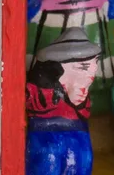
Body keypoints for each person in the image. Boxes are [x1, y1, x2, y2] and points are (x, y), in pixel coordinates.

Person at [25, 29, 102, 175]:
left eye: (95, 63)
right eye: (82, 67)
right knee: (48, 163)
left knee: (81, 164)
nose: (92, 74)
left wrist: (78, 101)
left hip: (78, 133)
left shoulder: (83, 89)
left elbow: (85, 111)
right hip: (44, 135)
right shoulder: (38, 89)